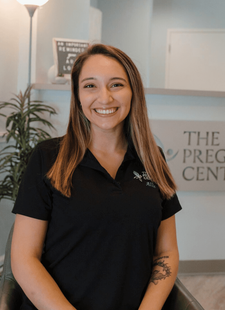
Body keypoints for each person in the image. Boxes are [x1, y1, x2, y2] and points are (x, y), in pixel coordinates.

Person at [11, 44, 182, 310]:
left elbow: (166, 252)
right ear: (77, 96)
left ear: (132, 92)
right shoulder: (48, 157)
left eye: (116, 85)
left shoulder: (152, 157)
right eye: (90, 86)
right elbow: (23, 258)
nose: (104, 98)